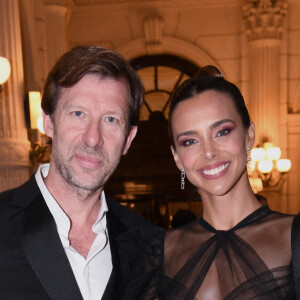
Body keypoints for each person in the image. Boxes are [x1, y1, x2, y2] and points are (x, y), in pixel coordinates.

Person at [118, 66, 297, 299]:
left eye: (222, 132)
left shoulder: (292, 238)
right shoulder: (155, 256)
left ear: (248, 135)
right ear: (177, 158)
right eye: (190, 141)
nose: (209, 152)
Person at [0, 45, 151, 300]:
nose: (93, 138)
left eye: (111, 119)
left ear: (128, 139)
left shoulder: (147, 243)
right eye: (78, 113)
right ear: (49, 122)